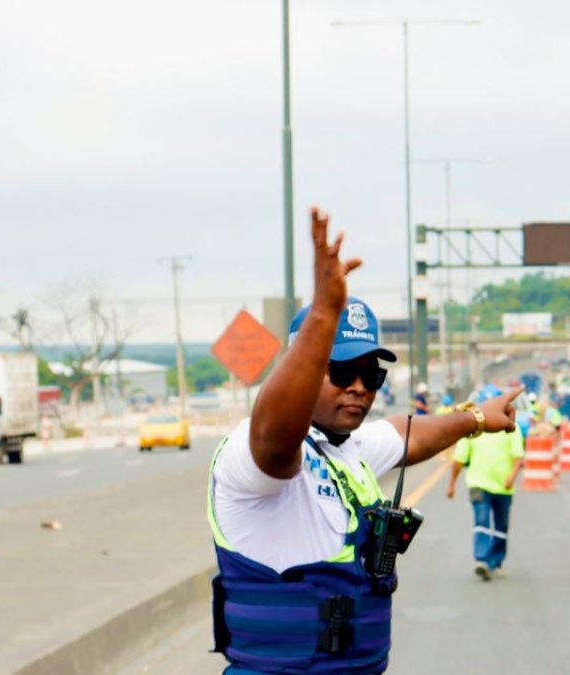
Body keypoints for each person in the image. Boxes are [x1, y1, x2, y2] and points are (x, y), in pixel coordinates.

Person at [207, 206, 521, 675]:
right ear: (306, 369)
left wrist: (475, 417)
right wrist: (324, 313)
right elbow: (273, 436)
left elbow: (402, 434)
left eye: (370, 373)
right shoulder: (252, 458)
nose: (359, 386)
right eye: (339, 370)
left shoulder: (346, 449)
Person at [445, 384, 525, 581]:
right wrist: (451, 484)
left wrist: (512, 477)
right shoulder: (474, 428)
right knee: (481, 521)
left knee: (500, 527)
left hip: (503, 487)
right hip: (478, 483)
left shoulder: (511, 427)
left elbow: (518, 457)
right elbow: (459, 458)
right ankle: (481, 560)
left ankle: (495, 562)